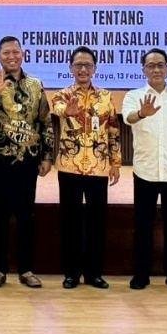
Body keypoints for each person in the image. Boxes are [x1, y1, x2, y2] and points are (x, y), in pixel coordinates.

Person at [0, 35, 53, 289]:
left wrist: (47, 155)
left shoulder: (35, 84)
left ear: (23, 54)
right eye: (6, 53)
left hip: (28, 161)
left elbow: (44, 121)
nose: (11, 56)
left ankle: (26, 269)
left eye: (15, 52)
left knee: (26, 215)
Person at [123, 48, 167, 291]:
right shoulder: (134, 96)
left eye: (160, 65)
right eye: (151, 65)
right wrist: (141, 114)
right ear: (143, 69)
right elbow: (129, 118)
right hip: (145, 171)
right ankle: (141, 275)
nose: (156, 69)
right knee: (142, 226)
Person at [53, 46, 121, 289]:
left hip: (98, 166)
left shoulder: (105, 97)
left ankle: (94, 273)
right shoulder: (62, 95)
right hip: (69, 167)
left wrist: (115, 162)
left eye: (87, 65)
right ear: (70, 68)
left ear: (95, 68)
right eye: (78, 65)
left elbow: (113, 130)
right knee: (70, 221)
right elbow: (58, 110)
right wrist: (68, 111)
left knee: (96, 222)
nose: (83, 69)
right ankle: (71, 273)